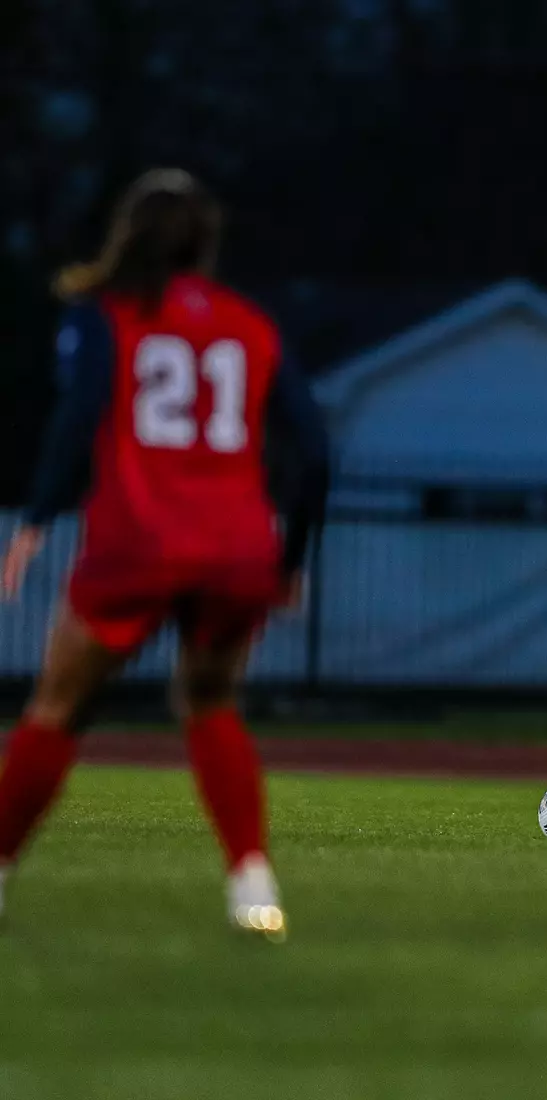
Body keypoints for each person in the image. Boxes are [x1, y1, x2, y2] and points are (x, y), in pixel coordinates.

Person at [0, 168, 330, 937]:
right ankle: (253, 885)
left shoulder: (104, 315)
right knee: (211, 703)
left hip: (139, 539)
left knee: (57, 707)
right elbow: (314, 453)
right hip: (235, 548)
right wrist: (289, 563)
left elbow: (80, 414)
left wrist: (37, 517)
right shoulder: (251, 323)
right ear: (205, 242)